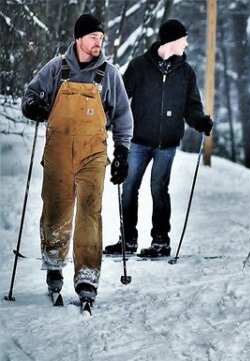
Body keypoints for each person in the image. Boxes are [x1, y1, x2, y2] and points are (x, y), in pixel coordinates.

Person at [21, 13, 133, 303]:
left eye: (101, 38)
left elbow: (122, 115)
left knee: (89, 211)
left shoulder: (109, 75)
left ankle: (87, 273)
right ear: (79, 39)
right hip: (58, 151)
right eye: (94, 37)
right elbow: (30, 95)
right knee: (56, 208)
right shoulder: (56, 68)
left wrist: (122, 150)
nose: (99, 42)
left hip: (93, 154)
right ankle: (55, 264)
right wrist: (33, 106)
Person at [103, 19, 213, 258]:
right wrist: (105, 118)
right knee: (129, 187)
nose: (187, 43)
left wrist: (201, 121)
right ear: (172, 41)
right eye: (184, 38)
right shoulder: (139, 66)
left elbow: (191, 107)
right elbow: (121, 100)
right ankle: (128, 241)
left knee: (159, 190)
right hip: (138, 140)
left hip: (167, 144)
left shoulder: (186, 72)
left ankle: (161, 242)